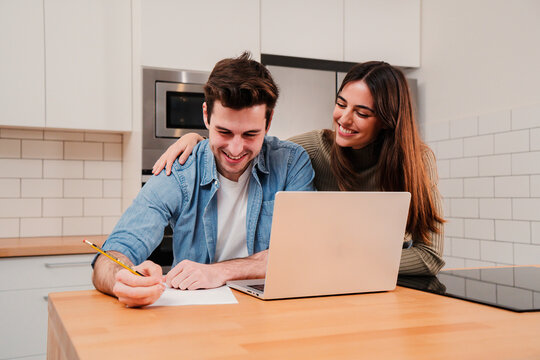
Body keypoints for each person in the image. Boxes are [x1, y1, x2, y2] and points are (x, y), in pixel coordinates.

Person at [153, 61, 445, 276]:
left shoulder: (418, 162)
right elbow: (251, 148)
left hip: (387, 287)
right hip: (328, 284)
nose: (343, 118)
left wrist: (344, 260)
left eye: (362, 112)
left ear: (387, 120)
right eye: (341, 104)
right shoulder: (315, 148)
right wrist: (200, 140)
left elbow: (429, 257)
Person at [92, 52, 315, 307]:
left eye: (251, 134)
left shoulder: (291, 163)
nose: (235, 148)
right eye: (224, 132)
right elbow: (111, 256)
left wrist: (219, 271)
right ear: (206, 115)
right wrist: (122, 279)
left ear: (269, 121)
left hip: (272, 315)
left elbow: (303, 252)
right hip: (197, 322)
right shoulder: (180, 169)